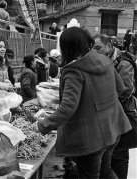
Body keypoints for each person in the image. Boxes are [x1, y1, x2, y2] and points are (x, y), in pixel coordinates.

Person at [33, 27, 131, 179]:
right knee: (105, 171)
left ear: (67, 47)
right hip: (113, 127)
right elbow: (122, 89)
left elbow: (67, 108)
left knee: (89, 175)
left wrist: (43, 124)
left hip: (91, 138)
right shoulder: (105, 60)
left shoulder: (73, 70)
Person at [93, 34, 136, 179]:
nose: (96, 51)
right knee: (109, 158)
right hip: (110, 117)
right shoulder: (105, 61)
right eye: (93, 48)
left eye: (98, 48)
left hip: (121, 115)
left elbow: (126, 91)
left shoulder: (123, 63)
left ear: (109, 46)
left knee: (119, 156)